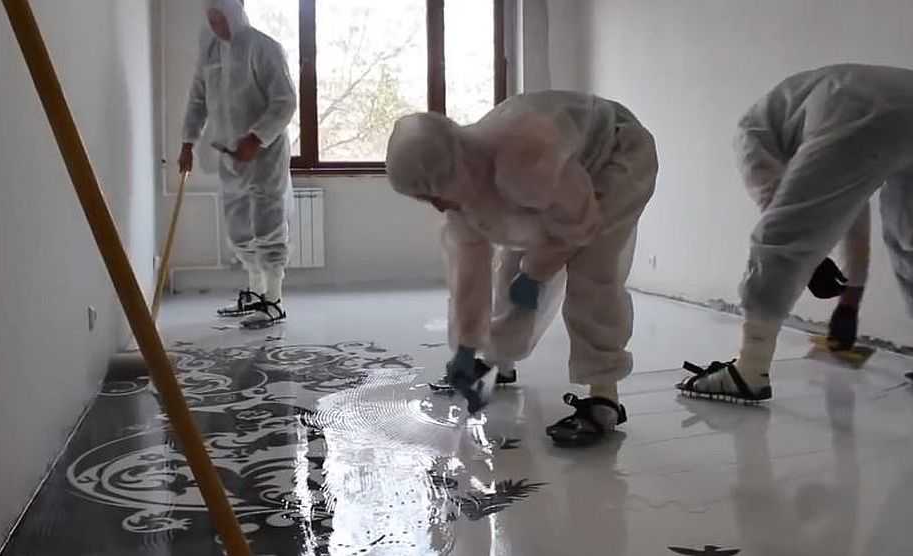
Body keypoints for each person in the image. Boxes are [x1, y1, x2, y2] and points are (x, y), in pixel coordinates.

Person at [386, 91, 658, 446]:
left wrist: (535, 274)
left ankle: (604, 397)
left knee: (593, 270)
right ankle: (498, 361)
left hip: (616, 153)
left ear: (451, 170)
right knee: (509, 271)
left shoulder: (521, 159)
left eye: (433, 194)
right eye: (425, 198)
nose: (436, 206)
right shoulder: (462, 175)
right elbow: (470, 273)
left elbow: (578, 225)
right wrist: (467, 348)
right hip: (560, 170)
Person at [678, 64, 913, 403]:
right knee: (909, 239)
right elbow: (850, 205)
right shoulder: (804, 112)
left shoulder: (751, 132)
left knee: (777, 240)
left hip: (861, 106)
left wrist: (810, 260)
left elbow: (781, 218)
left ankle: (750, 369)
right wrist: (850, 301)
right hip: (892, 99)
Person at [179, 0, 297, 326]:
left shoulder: (264, 48)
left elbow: (285, 101)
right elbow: (197, 100)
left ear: (234, 14)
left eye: (220, 18)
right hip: (229, 155)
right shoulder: (211, 52)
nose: (215, 25)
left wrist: (255, 139)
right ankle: (256, 292)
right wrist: (187, 143)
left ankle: (274, 300)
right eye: (210, 19)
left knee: (267, 223)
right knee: (239, 227)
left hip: (264, 154)